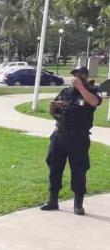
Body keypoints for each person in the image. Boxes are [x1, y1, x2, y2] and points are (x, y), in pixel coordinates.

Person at [40, 66, 102, 216]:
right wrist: (53, 108)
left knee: (79, 170)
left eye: (80, 75)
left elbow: (93, 102)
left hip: (79, 137)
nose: (76, 77)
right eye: (74, 74)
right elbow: (53, 110)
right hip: (60, 135)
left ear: (85, 76)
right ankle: (53, 200)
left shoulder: (92, 91)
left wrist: (81, 87)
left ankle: (78, 204)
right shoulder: (66, 92)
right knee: (54, 167)